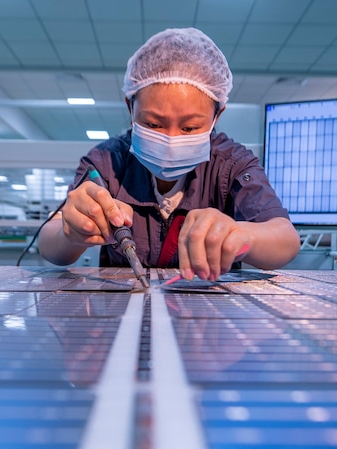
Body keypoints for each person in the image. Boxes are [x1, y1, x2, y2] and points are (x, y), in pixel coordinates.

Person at [38, 27, 300, 281]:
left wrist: (241, 234)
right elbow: (49, 245)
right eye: (153, 124)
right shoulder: (107, 162)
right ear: (130, 107)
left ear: (217, 115)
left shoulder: (232, 164)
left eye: (189, 127)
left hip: (211, 318)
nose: (170, 140)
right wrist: (71, 233)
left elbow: (285, 239)